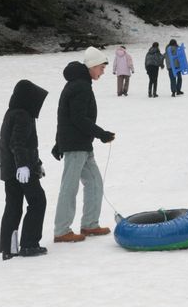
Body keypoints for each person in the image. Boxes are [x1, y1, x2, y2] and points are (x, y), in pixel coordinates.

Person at [51, 47, 116, 243]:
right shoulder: (80, 86)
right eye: (101, 68)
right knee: (69, 187)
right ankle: (61, 230)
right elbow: (77, 118)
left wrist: (58, 142)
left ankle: (89, 224)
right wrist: (101, 134)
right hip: (76, 145)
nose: (103, 72)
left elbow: (64, 115)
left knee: (95, 182)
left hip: (81, 144)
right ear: (92, 66)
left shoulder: (79, 84)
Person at [0, 80, 49, 260]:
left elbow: (26, 145)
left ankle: (9, 248)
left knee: (13, 207)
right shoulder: (22, 115)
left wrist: (37, 163)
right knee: (38, 202)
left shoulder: (12, 113)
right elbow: (17, 144)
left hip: (11, 169)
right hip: (21, 170)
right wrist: (24, 166)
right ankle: (29, 244)